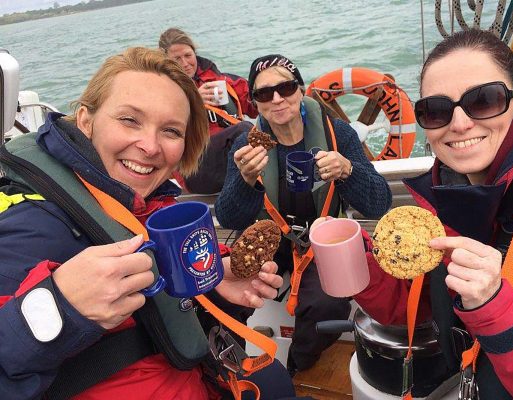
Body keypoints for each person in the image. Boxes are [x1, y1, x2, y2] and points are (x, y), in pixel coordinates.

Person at [0, 47, 311, 400]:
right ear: (86, 120)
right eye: (130, 120)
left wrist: (212, 287)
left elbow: (163, 313)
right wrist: (60, 306)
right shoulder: (32, 224)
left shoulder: (148, 206)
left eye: (171, 131)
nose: (149, 146)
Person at [350, 29, 513, 399]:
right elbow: (426, 304)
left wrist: (495, 307)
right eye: (436, 110)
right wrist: (360, 265)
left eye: (484, 100)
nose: (460, 123)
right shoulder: (455, 193)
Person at [215, 54, 392, 374]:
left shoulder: (339, 134)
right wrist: (244, 180)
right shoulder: (247, 144)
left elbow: (379, 204)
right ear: (255, 102)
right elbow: (228, 218)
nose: (277, 99)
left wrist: (348, 169)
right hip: (267, 233)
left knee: (328, 303)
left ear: (300, 90)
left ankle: (296, 367)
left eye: (285, 87)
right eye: (264, 93)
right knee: (232, 281)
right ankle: (231, 363)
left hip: (323, 235)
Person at [159, 27, 258, 195]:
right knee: (244, 130)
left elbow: (257, 105)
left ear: (194, 53)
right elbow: (161, 129)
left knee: (265, 126)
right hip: (194, 170)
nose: (184, 63)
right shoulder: (162, 91)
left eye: (188, 56)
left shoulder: (222, 80)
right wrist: (192, 101)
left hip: (231, 159)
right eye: (177, 59)